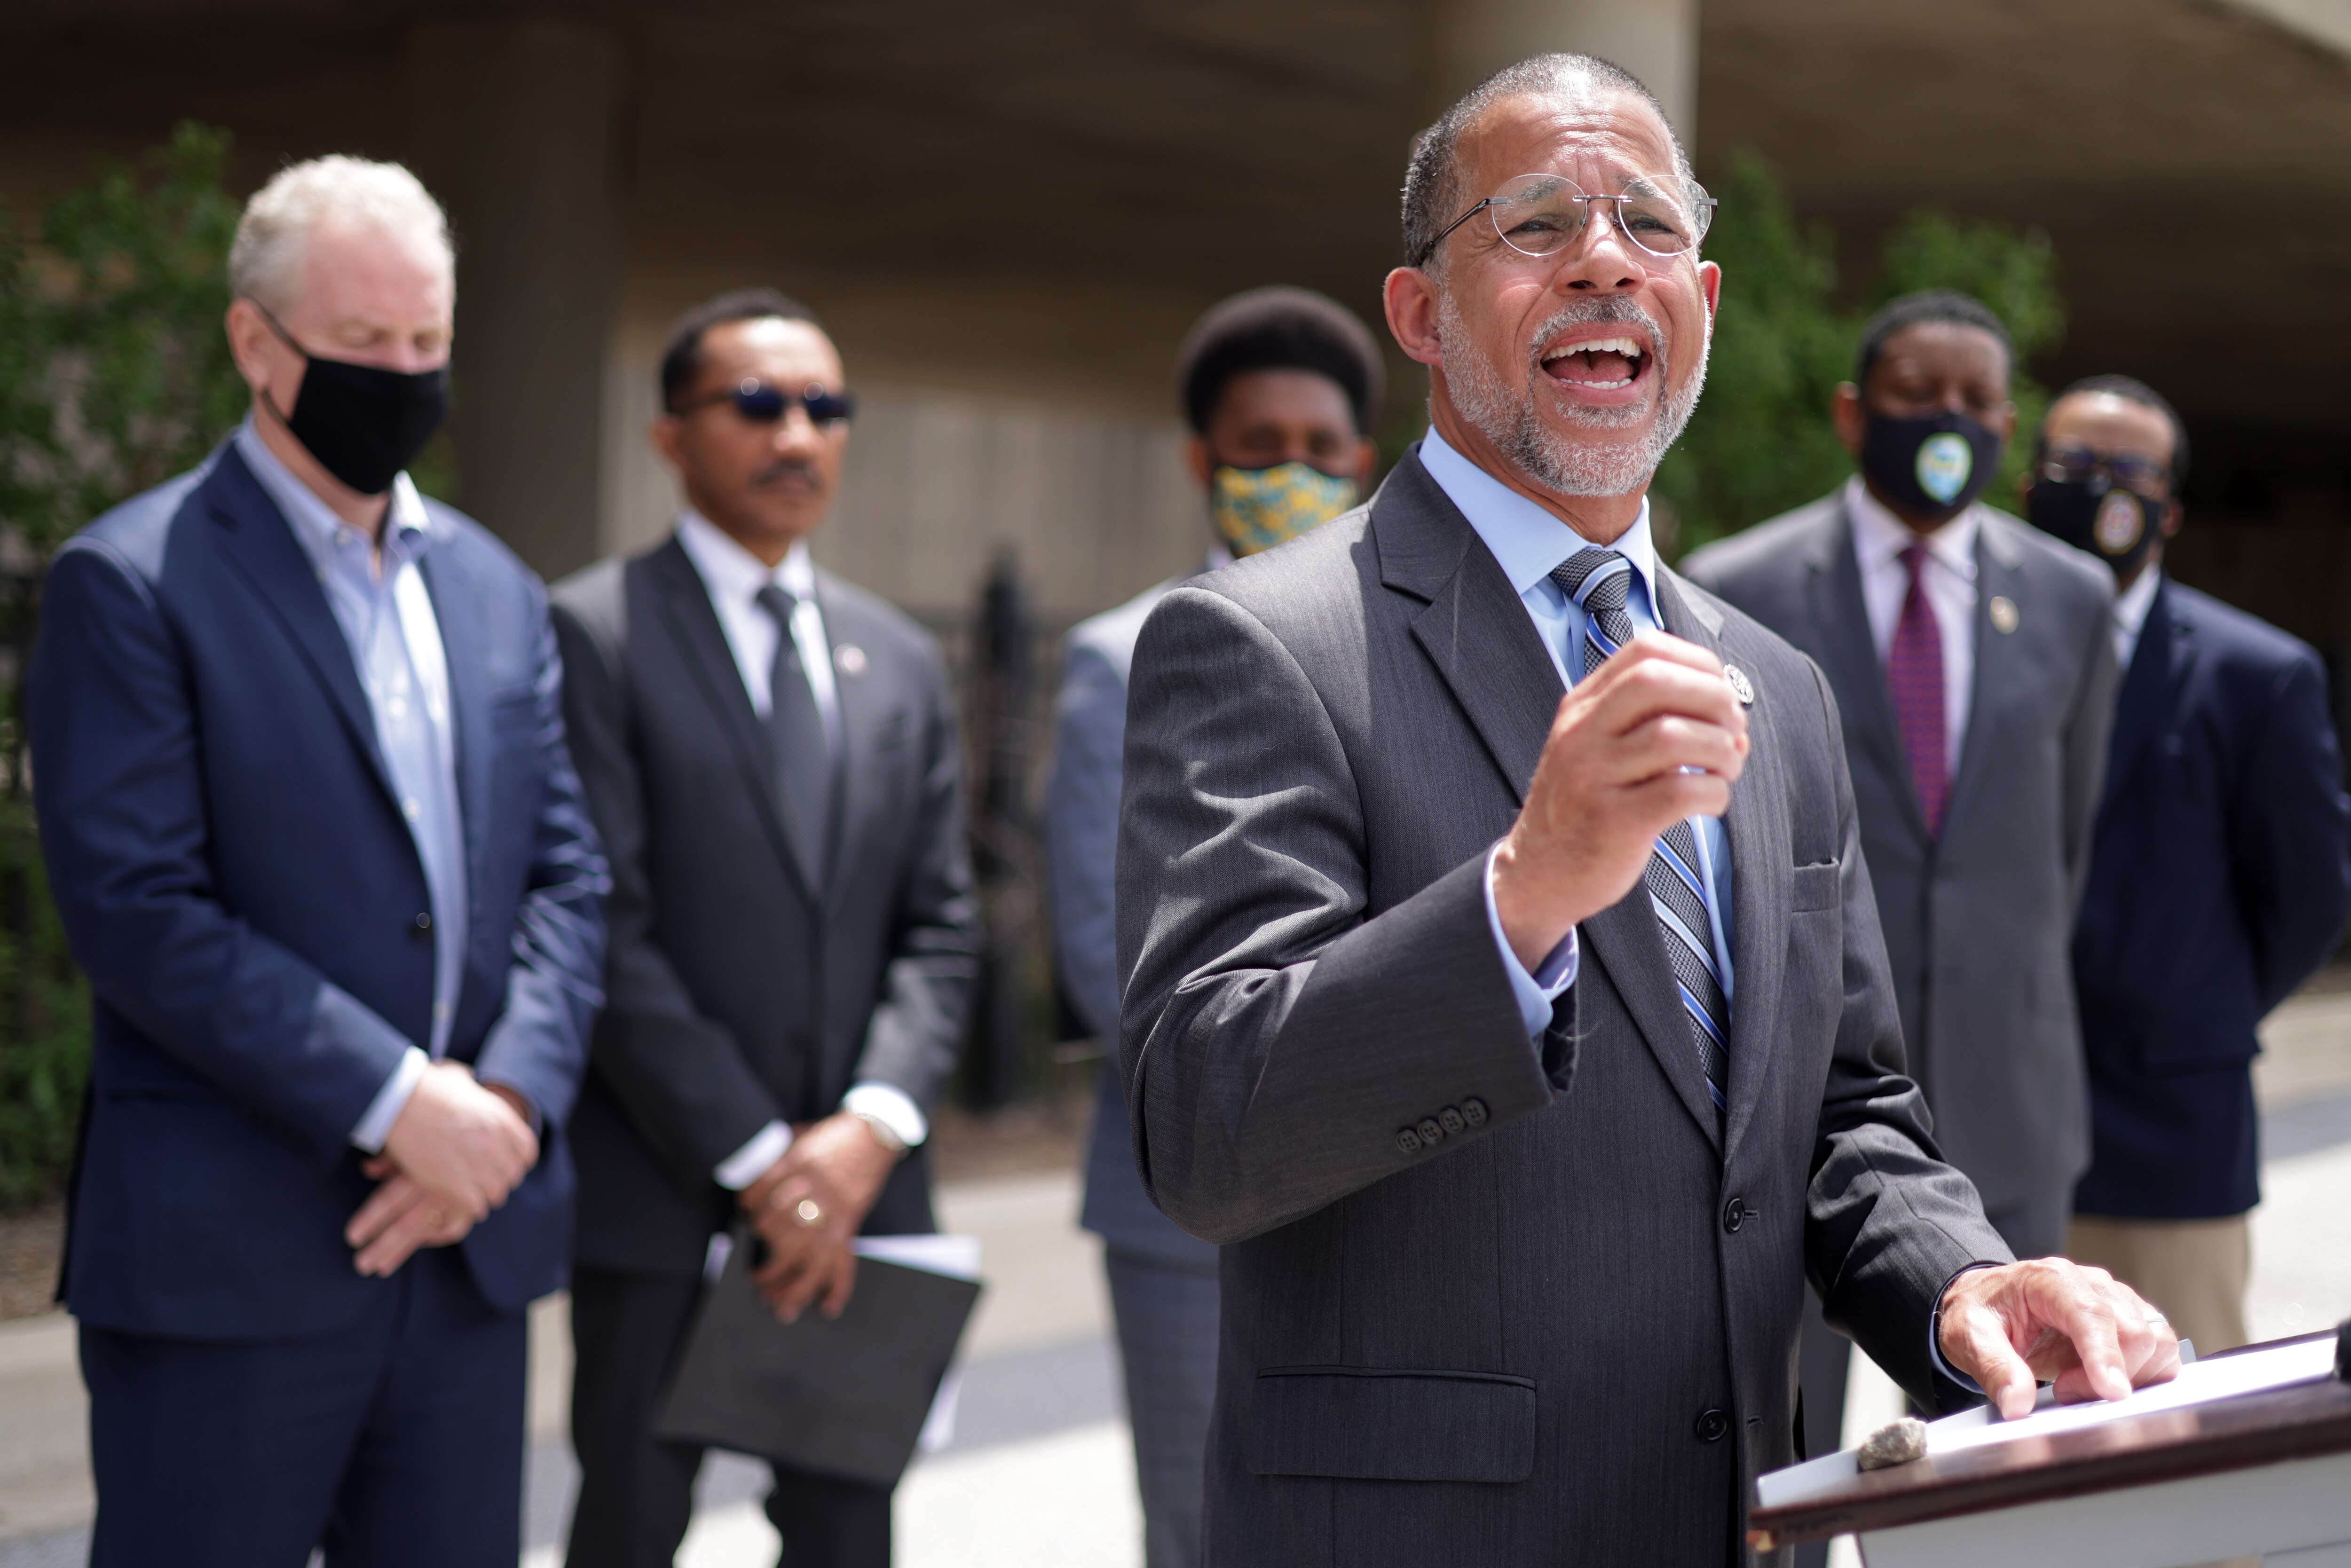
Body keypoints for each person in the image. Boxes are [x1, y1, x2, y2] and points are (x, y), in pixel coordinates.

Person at [1113, 54, 2176, 1566]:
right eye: (1537, 223)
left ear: (1704, 302)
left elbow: (1842, 1115)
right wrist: (1522, 897)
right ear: (1419, 313)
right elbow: (1204, 1127)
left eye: (1650, 225)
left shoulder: (1777, 688)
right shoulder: (1263, 643)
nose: (1605, 259)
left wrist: (1963, 1285)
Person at [25, 156, 605, 1568]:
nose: (401, 375)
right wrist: (398, 1101)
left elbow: (567, 880)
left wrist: (499, 1112)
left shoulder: (497, 590)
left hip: (463, 1256)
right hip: (227, 1269)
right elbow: (138, 909)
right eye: (362, 341)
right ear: (255, 341)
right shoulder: (132, 581)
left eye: (426, 341)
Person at [550, 287, 978, 1568]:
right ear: (669, 436)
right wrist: (759, 1160)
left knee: (847, 1539)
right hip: (662, 1192)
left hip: (865, 1197)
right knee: (630, 1528)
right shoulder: (594, 633)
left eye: (823, 407)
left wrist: (864, 1137)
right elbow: (600, 924)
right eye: (755, 404)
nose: (796, 435)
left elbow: (942, 929)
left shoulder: (898, 657)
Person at [1681, 291, 2121, 1486]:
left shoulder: (2072, 598)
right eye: (1918, 394)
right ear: (1852, 414)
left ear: (2008, 426)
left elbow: (2062, 841)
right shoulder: (1733, 586)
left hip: (2011, 1089)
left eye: (1976, 400)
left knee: (2014, 1439)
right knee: (1787, 1452)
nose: (1947, 419)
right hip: (1803, 1112)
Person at [1045, 285, 1381, 1568]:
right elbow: (1106, 958)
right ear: (1203, 460)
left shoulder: (1410, 650)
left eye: (1320, 447)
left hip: (1393, 1192)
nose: (1293, 471)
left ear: (1363, 458)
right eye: (1260, 447)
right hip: (1184, 1201)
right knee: (1203, 1538)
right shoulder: (1117, 658)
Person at [2025, 376, 2351, 1355]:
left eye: (2129, 469)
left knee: (2170, 1406)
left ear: (2168, 507)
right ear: (2031, 486)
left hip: (2165, 1131)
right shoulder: (1968, 657)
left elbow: (2309, 896)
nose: (2100, 487)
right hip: (1991, 1133)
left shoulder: (2258, 675)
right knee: (1983, 1415)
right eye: (2073, 464)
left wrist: (2196, 1001)